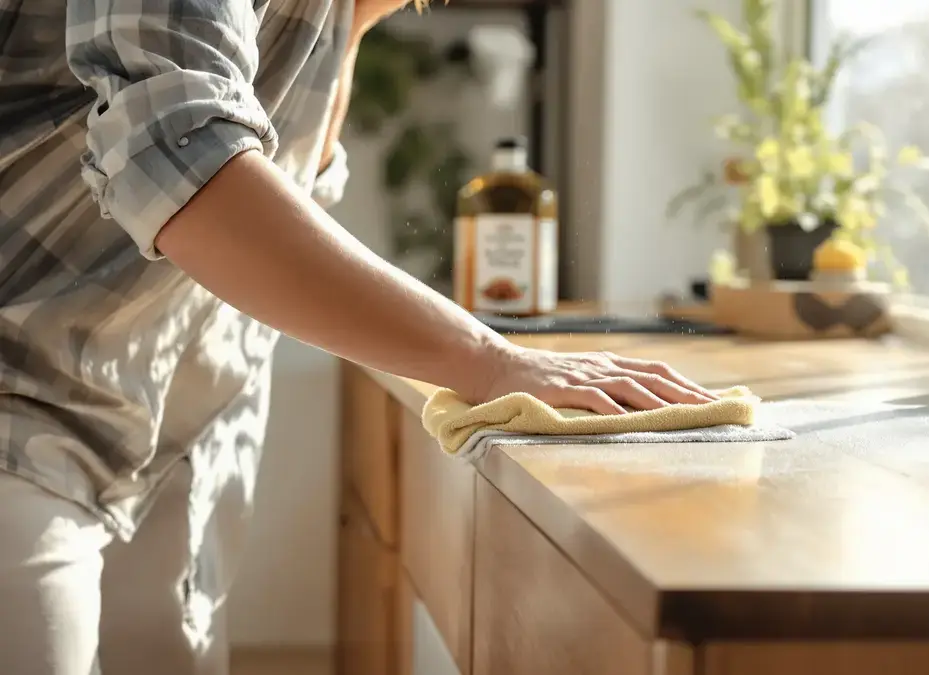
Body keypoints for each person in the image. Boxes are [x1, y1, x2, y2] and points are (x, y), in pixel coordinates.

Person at [0, 0, 715, 672]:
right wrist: (488, 359)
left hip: (162, 435)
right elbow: (179, 158)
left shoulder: (337, 17)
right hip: (20, 413)